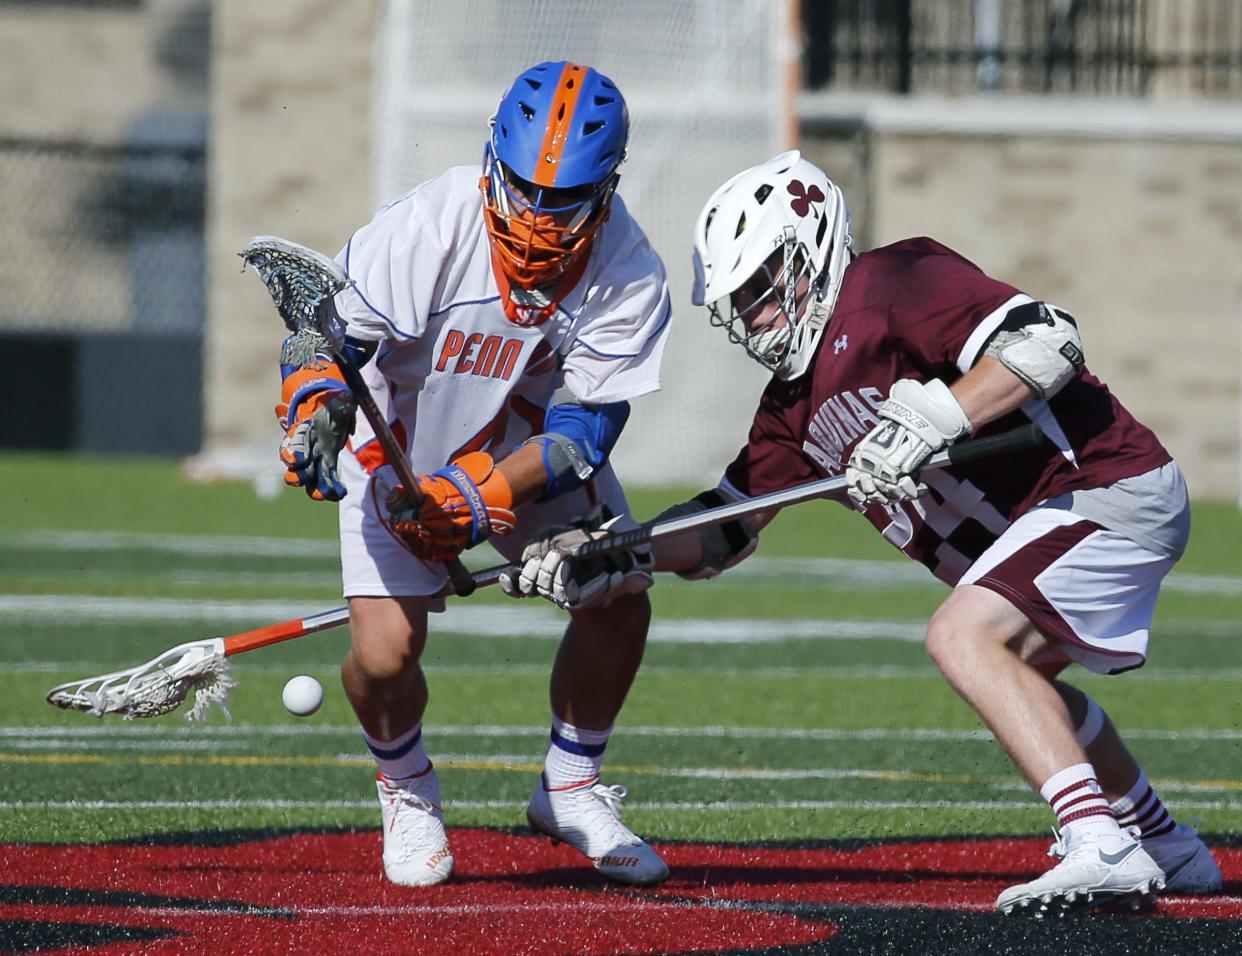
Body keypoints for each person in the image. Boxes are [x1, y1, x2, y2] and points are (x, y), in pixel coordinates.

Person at [503, 150, 1223, 915]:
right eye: (738, 304)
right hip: (1053, 520)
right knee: (1025, 676)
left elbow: (1047, 341)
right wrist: (610, 555)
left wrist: (933, 416)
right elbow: (721, 531)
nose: (753, 318)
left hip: (1103, 485)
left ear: (807, 253)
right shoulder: (790, 410)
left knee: (964, 640)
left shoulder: (894, 283)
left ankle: (1097, 841)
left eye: (760, 291)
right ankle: (1168, 845)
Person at [273, 61, 671, 888]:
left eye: (562, 200)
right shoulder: (428, 225)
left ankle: (571, 785)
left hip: (525, 453)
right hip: (399, 447)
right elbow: (325, 344)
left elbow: (587, 428)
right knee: (385, 656)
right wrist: (318, 411)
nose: (535, 214)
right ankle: (407, 787)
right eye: (523, 187)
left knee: (619, 593)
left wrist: (484, 497)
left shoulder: (629, 269)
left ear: (607, 188)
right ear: (494, 159)